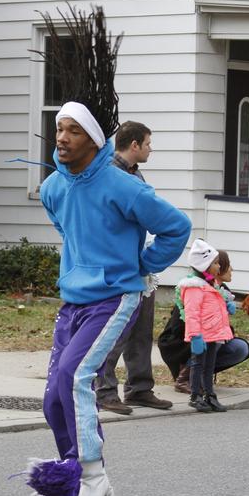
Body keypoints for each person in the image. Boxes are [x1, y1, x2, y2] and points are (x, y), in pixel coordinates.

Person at [25, 5, 191, 496]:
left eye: (73, 131)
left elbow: (177, 227)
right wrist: (84, 257)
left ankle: (93, 480)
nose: (62, 137)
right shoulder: (53, 187)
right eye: (58, 129)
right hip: (74, 299)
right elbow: (68, 227)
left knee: (75, 378)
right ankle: (81, 480)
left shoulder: (123, 184)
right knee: (53, 394)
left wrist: (142, 265)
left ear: (95, 139)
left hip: (116, 295)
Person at [95, 121, 172, 414]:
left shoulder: (134, 174)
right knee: (117, 328)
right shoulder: (110, 174)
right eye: (148, 143)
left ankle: (140, 388)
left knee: (141, 329)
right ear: (135, 145)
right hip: (117, 265)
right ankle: (104, 390)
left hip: (139, 262)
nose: (151, 149)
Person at [166, 249, 249, 394]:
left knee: (239, 347)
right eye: (224, 264)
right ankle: (185, 378)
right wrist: (199, 335)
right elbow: (182, 323)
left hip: (209, 336)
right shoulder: (194, 287)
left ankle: (201, 376)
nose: (231, 269)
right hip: (181, 341)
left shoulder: (220, 289)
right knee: (215, 340)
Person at [178, 239, 236, 413]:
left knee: (209, 366)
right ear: (205, 265)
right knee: (198, 365)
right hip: (202, 334)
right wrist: (195, 336)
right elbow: (192, 313)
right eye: (216, 263)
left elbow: (214, 306)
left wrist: (226, 305)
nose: (219, 267)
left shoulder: (210, 285)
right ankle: (195, 396)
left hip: (213, 333)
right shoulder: (194, 288)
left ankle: (210, 395)